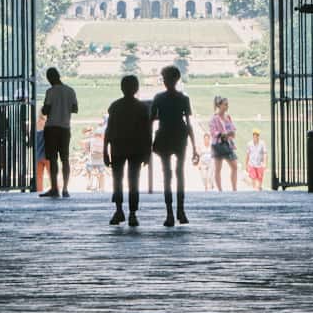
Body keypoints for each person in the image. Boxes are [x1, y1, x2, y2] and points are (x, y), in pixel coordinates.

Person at [147, 65, 196, 227]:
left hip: (164, 136)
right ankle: (180, 211)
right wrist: (195, 147)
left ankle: (169, 213)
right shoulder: (183, 98)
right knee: (179, 173)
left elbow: (151, 119)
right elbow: (188, 124)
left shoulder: (159, 98)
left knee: (167, 175)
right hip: (179, 136)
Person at [102, 74, 152, 227]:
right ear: (136, 88)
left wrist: (105, 149)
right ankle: (132, 213)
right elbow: (147, 132)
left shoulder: (115, 106)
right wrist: (148, 152)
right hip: (136, 149)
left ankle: (118, 211)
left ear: (121, 88)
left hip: (117, 148)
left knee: (117, 181)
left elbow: (108, 130)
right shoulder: (142, 108)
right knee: (133, 181)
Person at [39, 67, 78, 197]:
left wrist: (45, 108)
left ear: (50, 78)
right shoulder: (70, 91)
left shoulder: (50, 92)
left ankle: (55, 188)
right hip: (65, 128)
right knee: (65, 159)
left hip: (51, 128)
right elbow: (75, 108)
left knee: (53, 159)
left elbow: (46, 110)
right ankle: (65, 189)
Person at [207, 95, 239, 191]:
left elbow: (232, 130)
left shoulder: (228, 117)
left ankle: (234, 189)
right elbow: (213, 133)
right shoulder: (214, 118)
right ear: (219, 105)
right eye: (225, 105)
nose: (227, 106)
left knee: (234, 166)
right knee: (218, 169)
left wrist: (230, 134)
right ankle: (220, 190)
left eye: (227, 105)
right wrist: (224, 134)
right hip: (218, 146)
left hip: (228, 145)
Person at [83, 124, 104, 191]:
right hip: (101, 161)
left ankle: (89, 184)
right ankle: (101, 187)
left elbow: (85, 147)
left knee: (88, 170)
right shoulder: (103, 141)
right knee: (101, 174)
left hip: (92, 160)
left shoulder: (91, 140)